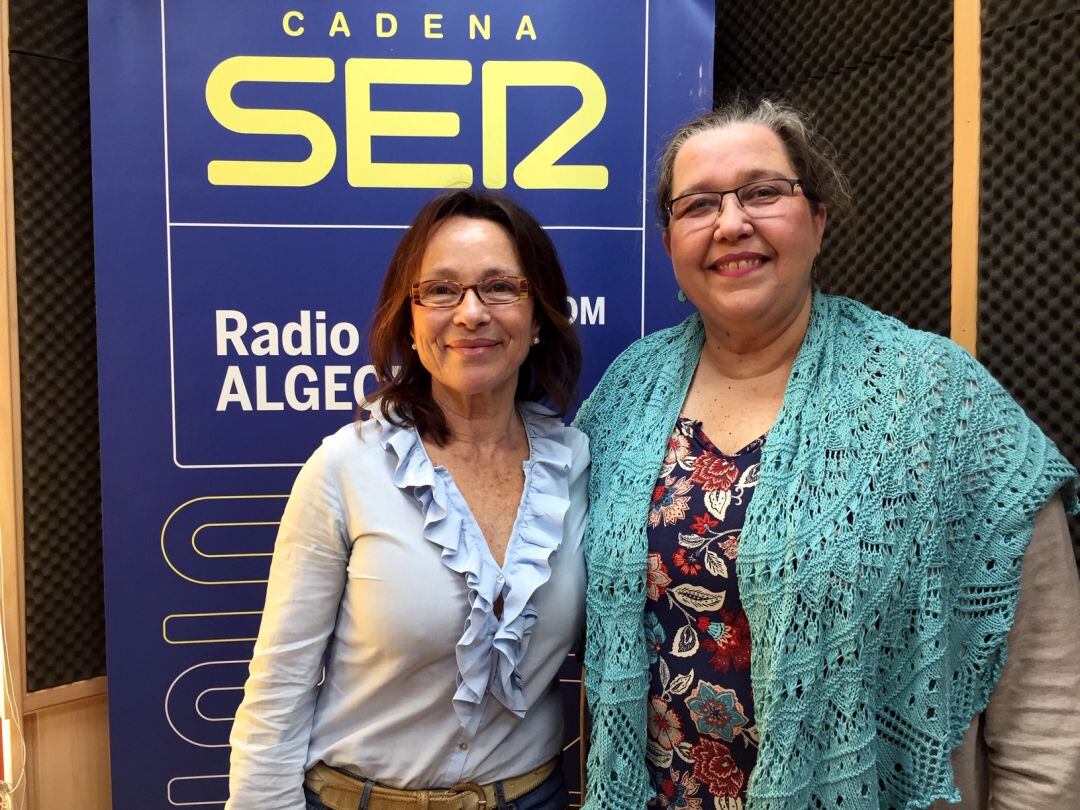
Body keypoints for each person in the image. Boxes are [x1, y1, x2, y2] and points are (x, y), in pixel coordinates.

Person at [577, 99, 1080, 809]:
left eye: (762, 192)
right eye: (698, 206)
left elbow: (1048, 705)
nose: (731, 223)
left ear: (817, 218)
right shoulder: (625, 395)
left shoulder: (936, 397)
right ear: (669, 244)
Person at [226, 190, 588, 810]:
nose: (471, 313)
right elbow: (278, 693)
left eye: (500, 286)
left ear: (537, 318)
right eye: (441, 290)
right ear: (410, 320)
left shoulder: (579, 464)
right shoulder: (345, 468)